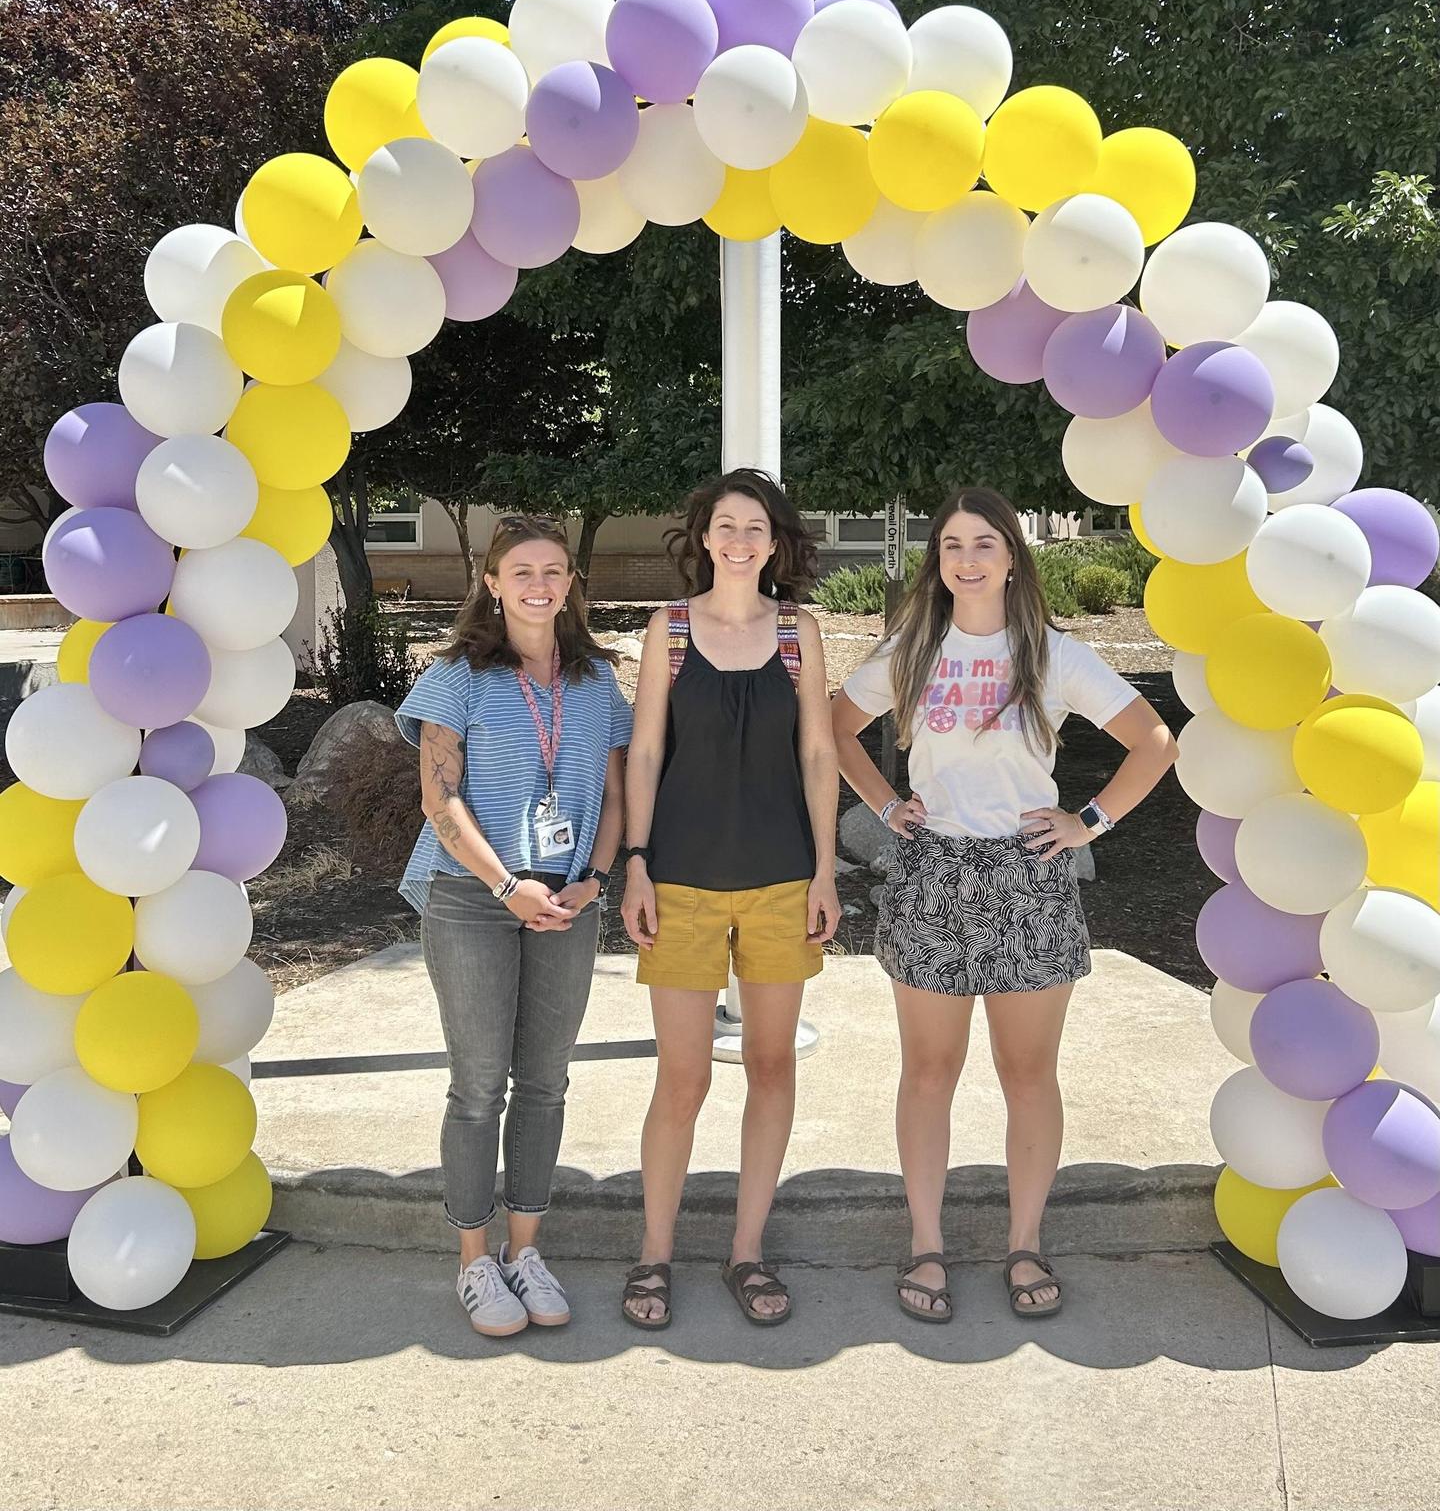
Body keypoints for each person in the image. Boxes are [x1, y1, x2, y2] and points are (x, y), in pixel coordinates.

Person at [832, 488, 1178, 1323]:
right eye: (952, 545)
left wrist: (1086, 820)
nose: (968, 560)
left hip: (1029, 880)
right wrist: (885, 806)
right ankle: (926, 1245)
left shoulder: (1053, 654)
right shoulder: (914, 650)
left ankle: (1025, 1243)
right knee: (928, 1073)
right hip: (934, 875)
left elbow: (1154, 741)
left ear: (1013, 557)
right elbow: (835, 728)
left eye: (985, 543)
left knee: (1028, 1075)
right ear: (938, 561)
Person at [394, 515, 631, 1338]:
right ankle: (474, 1261)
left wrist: (595, 879)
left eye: (554, 570)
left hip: (570, 899)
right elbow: (439, 799)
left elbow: (615, 794)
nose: (539, 584)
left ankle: (525, 1250)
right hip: (472, 897)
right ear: (492, 582)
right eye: (521, 570)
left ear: (571, 584)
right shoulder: (457, 676)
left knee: (545, 1080)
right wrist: (507, 888)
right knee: (479, 1083)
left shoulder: (599, 681)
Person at [619, 469, 839, 1329]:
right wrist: (635, 862)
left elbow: (819, 756)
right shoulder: (668, 629)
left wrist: (826, 869)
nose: (741, 539)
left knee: (771, 1066)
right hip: (679, 880)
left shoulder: (799, 632)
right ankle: (655, 1253)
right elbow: (642, 754)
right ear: (703, 538)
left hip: (784, 878)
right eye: (725, 526)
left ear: (775, 541)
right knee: (682, 1078)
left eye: (756, 527)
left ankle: (747, 1251)